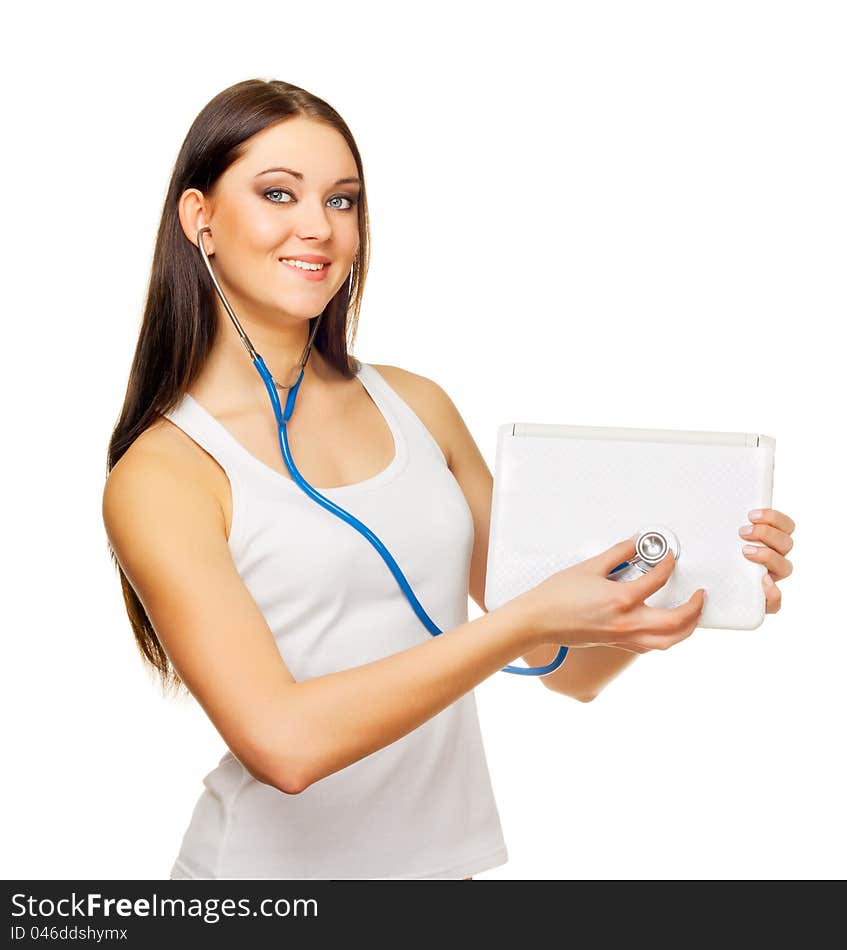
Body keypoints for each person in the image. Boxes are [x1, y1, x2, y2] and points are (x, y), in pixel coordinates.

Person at [102, 79, 796, 881]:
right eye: (277, 193)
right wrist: (527, 619)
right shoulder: (163, 472)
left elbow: (566, 667)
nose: (316, 227)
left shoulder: (417, 406)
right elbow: (283, 747)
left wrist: (694, 574)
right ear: (201, 220)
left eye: (342, 200)